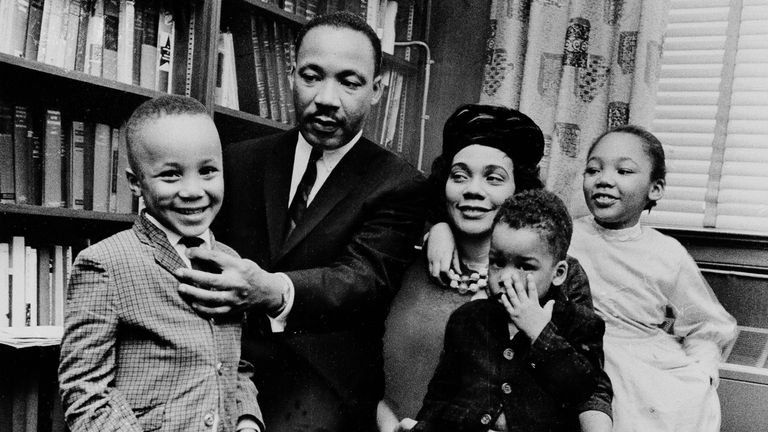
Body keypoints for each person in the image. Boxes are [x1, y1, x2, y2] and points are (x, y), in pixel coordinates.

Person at [173, 11, 428, 432]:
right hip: (221, 365)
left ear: (377, 90)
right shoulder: (238, 160)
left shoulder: (399, 184)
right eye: (312, 76)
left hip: (325, 383)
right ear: (292, 75)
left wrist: (269, 290)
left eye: (349, 82)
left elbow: (364, 279)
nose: (327, 97)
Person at [382, 104, 612, 432]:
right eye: (459, 176)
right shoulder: (413, 257)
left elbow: (588, 385)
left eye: (493, 178)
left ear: (519, 190)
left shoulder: (561, 277)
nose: (473, 190)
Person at [58, 95, 263, 432]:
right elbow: (85, 393)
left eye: (208, 171)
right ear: (135, 182)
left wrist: (246, 422)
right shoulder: (104, 263)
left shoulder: (232, 263)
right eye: (171, 175)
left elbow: (231, 364)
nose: (193, 190)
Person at [569, 125, 737, 431]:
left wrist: (702, 371)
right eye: (593, 169)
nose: (604, 180)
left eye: (623, 171)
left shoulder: (666, 252)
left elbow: (707, 324)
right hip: (575, 353)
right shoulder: (564, 235)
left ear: (655, 189)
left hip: (642, 364)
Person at [399, 189, 607, 432]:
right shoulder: (467, 319)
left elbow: (582, 391)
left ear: (558, 273)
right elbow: (440, 396)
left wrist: (540, 333)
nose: (505, 277)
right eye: (497, 262)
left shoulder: (580, 324)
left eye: (525, 266)